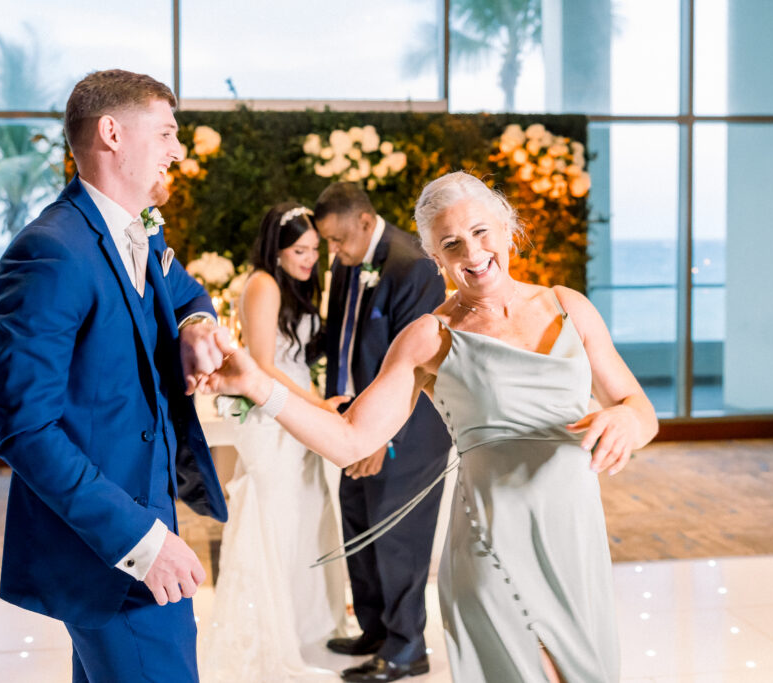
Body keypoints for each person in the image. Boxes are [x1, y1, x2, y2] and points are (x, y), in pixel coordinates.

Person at [203, 170, 659, 683]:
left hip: (577, 545)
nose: (473, 252)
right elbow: (351, 437)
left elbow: (639, 407)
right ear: (435, 258)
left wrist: (625, 418)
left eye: (482, 232)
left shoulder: (569, 306)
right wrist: (259, 387)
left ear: (508, 228)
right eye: (452, 244)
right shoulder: (430, 338)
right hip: (494, 551)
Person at [0, 69, 229, 682]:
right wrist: (143, 544)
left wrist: (198, 323)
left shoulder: (141, 227)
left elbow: (182, 291)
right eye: (168, 133)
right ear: (113, 133)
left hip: (142, 525)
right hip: (112, 549)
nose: (178, 150)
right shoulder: (51, 252)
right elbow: (26, 431)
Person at [199, 202, 349, 680]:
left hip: (297, 409)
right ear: (277, 250)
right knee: (274, 517)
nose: (310, 260)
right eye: (300, 251)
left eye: (313, 251)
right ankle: (265, 634)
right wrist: (319, 404)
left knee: (306, 514)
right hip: (274, 415)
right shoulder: (262, 284)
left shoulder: (296, 286)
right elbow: (263, 365)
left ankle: (305, 626)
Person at [313, 182, 452, 682]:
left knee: (398, 538)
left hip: (405, 432)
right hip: (352, 423)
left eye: (337, 240)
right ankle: (374, 630)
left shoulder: (411, 265)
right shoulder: (347, 262)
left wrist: (380, 437)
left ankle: (407, 648)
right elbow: (343, 337)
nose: (332, 251)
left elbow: (417, 368)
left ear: (366, 223)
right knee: (360, 531)